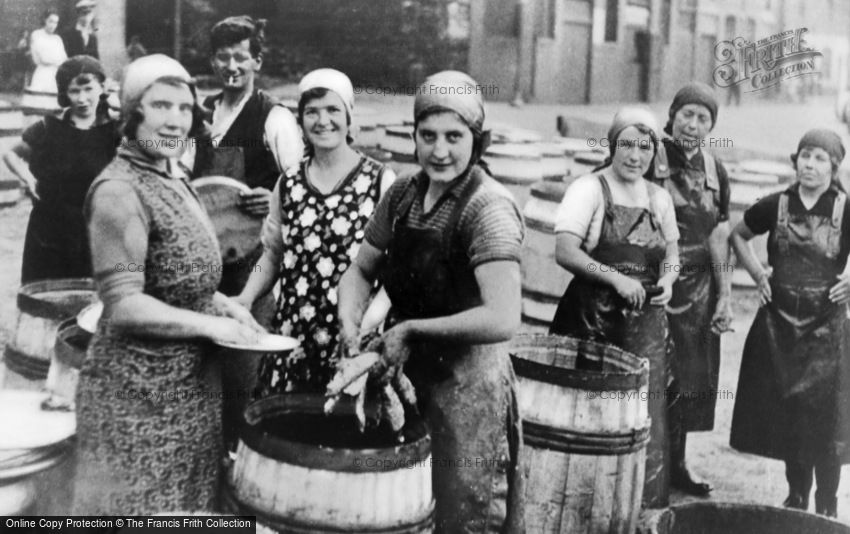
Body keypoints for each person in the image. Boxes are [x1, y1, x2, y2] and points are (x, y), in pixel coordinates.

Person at [72, 54, 265, 514]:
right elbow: (123, 303)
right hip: (137, 399)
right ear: (131, 112)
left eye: (184, 109)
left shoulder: (172, 176)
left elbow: (181, 279)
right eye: (161, 106)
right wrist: (210, 327)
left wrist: (227, 307)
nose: (176, 120)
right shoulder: (119, 191)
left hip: (189, 395)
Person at [338, 70, 526, 532]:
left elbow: (502, 317)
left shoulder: (488, 208)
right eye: (428, 136)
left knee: (463, 508)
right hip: (405, 376)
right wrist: (349, 325)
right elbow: (361, 269)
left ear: (477, 140)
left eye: (454, 137)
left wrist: (409, 330)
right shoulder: (403, 193)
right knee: (401, 504)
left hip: (467, 383)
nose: (439, 150)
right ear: (414, 135)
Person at [550, 106, 680, 508]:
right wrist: (615, 279)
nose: (635, 156)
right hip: (592, 318)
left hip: (644, 323)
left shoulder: (658, 198)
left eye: (644, 147)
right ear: (612, 145)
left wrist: (669, 281)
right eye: (627, 144)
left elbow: (672, 251)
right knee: (590, 407)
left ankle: (639, 506)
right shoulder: (589, 189)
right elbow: (565, 251)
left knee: (644, 408)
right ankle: (582, 502)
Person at [237, 68, 395, 396]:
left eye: (333, 110)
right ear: (301, 120)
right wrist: (246, 297)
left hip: (353, 344)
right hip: (292, 340)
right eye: (312, 112)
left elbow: (396, 270)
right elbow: (272, 255)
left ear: (349, 117)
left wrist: (368, 326)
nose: (322, 121)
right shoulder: (289, 182)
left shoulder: (380, 181)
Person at [729, 129, 850, 518]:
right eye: (805, 157)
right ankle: (796, 496)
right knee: (791, 413)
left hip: (827, 327)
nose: (810, 165)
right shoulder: (776, 204)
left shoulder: (845, 208)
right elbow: (738, 234)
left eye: (820, 159)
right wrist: (757, 275)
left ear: (834, 168)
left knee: (827, 420)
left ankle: (826, 503)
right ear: (795, 160)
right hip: (779, 324)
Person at [648, 82, 733, 496]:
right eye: (687, 115)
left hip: (699, 290)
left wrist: (726, 295)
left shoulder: (717, 169)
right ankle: (646, 466)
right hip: (656, 281)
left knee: (691, 377)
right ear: (673, 114)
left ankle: (677, 464)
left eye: (704, 118)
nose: (693, 125)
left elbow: (720, 236)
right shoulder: (650, 155)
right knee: (651, 373)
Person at [193, 15, 303, 302]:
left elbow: (303, 187)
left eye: (240, 57)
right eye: (223, 57)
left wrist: (275, 200)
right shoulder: (199, 114)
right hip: (201, 253)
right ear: (212, 61)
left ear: (257, 61)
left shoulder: (274, 117)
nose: (231, 66)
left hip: (256, 260)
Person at [3, 55, 119, 283]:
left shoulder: (116, 131)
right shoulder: (49, 128)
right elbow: (11, 153)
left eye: (88, 88)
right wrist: (27, 177)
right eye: (74, 91)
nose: (82, 98)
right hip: (50, 230)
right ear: (64, 93)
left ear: (102, 87)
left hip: (97, 228)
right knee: (49, 297)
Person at [27, 10, 66, 103]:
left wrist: (56, 60)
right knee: (39, 102)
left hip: (55, 74)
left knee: (52, 103)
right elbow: (43, 58)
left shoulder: (57, 39)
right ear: (45, 20)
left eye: (56, 22)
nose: (53, 25)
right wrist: (56, 59)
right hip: (42, 73)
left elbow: (64, 59)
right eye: (51, 21)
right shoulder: (37, 34)